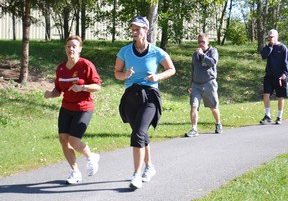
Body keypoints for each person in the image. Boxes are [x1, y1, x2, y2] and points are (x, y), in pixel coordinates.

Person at [114, 16, 176, 189]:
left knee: (139, 134)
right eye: (133, 29)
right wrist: (125, 75)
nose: (135, 32)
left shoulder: (156, 52)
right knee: (140, 133)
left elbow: (171, 69)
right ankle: (150, 167)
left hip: (150, 96)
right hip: (130, 96)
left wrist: (157, 76)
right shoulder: (125, 51)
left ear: (146, 30)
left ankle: (137, 174)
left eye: (138, 29)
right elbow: (117, 73)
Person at [44, 35, 102, 184]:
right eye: (68, 46)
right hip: (66, 107)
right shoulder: (61, 68)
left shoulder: (86, 65)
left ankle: (91, 157)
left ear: (80, 49)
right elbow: (58, 89)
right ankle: (75, 172)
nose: (71, 49)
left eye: (74, 46)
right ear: (65, 49)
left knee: (74, 140)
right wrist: (51, 94)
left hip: (83, 107)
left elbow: (97, 86)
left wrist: (82, 87)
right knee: (64, 140)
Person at [185, 33, 222, 137]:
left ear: (208, 42)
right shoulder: (195, 54)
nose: (201, 44)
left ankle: (218, 123)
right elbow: (193, 69)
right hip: (196, 84)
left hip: (209, 82)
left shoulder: (213, 51)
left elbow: (212, 63)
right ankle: (194, 128)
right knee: (194, 106)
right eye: (199, 42)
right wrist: (191, 84)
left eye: (203, 42)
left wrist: (202, 55)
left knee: (213, 106)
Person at [259, 29, 288, 125]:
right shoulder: (268, 47)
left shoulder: (283, 48)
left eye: (272, 37)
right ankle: (268, 115)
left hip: (280, 77)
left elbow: (286, 62)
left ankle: (279, 116)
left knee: (280, 97)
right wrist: (270, 46)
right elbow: (263, 56)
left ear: (277, 36)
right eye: (269, 37)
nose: (270, 39)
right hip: (269, 76)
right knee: (266, 94)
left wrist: (284, 74)